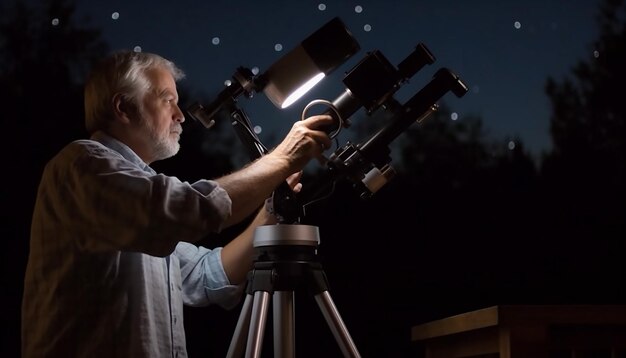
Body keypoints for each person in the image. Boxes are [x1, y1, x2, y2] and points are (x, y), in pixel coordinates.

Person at [21, 50, 333, 357]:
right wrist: (282, 158)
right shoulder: (84, 166)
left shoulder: (134, 191)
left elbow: (206, 275)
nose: (181, 115)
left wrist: (270, 214)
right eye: (168, 100)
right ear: (123, 107)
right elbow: (190, 210)